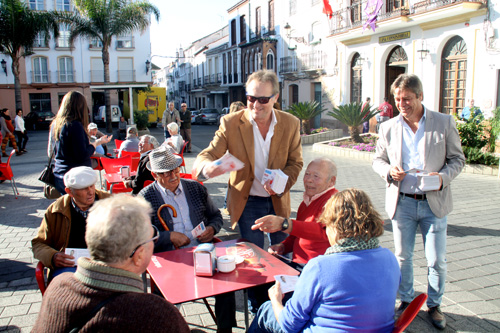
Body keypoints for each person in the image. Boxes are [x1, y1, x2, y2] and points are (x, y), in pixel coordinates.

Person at [372, 73, 465, 330]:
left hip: (434, 202)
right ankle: (406, 300)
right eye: (398, 99)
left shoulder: (443, 122)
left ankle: (434, 305)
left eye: (407, 99)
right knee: (403, 257)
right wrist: (389, 171)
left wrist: (442, 177)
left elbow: (458, 159)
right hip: (402, 202)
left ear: (420, 96)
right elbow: (377, 160)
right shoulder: (388, 127)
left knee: (436, 259)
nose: (402, 104)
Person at [32, 194, 190, 333]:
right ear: (139, 255)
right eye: (152, 239)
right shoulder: (156, 313)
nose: (154, 242)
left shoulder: (57, 285)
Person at [249, 188, 400, 333]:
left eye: (326, 226)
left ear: (335, 227)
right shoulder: (389, 257)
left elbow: (290, 324)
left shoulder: (321, 266)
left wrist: (276, 300)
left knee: (267, 310)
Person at [193, 70, 303, 250]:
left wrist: (281, 182)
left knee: (282, 253)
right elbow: (208, 154)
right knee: (253, 256)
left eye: (263, 99)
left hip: (278, 200)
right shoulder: (230, 123)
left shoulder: (291, 123)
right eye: (251, 98)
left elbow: (295, 163)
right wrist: (207, 168)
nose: (255, 105)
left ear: (275, 97)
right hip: (247, 201)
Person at [139, 146, 235, 332]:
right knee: (162, 300)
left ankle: (225, 330)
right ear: (154, 174)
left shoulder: (195, 188)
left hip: (203, 251)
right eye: (166, 173)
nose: (174, 175)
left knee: (227, 287)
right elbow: (140, 236)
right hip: (168, 258)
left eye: (176, 170)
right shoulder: (145, 197)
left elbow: (216, 216)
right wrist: (168, 236)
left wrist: (211, 228)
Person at [251, 158, 338, 272]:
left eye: (316, 176)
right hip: (299, 263)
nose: (309, 180)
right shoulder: (306, 201)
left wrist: (285, 224)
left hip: (317, 268)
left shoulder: (335, 201)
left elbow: (323, 231)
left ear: (332, 181)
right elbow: (297, 235)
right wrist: (283, 247)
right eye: (307, 174)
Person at [31, 166, 111, 279]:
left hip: (106, 265)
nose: (90, 192)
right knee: (67, 289)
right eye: (83, 188)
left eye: (92, 186)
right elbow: (38, 244)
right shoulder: (56, 210)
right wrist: (53, 256)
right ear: (70, 192)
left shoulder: (111, 203)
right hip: (70, 267)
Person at [51, 91, 112, 195]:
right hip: (75, 177)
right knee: (84, 208)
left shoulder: (58, 124)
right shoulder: (75, 125)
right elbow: (82, 154)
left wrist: (98, 142)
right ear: (80, 106)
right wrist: (95, 144)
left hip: (60, 174)